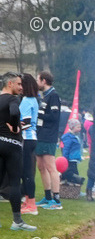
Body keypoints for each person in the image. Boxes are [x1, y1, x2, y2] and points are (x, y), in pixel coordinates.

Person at [0, 73, 36, 231]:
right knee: (15, 183)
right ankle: (17, 221)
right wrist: (15, 127)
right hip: (12, 144)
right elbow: (14, 112)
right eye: (19, 84)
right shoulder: (13, 99)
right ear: (10, 84)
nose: (21, 88)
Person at [35, 71, 62, 210]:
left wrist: (38, 115)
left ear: (44, 81)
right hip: (40, 135)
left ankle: (56, 200)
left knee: (51, 167)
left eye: (37, 80)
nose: (36, 83)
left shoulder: (53, 96)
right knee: (41, 166)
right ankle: (47, 197)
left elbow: (54, 117)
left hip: (48, 136)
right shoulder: (45, 96)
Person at [18, 74, 40, 215]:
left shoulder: (27, 100)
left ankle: (31, 204)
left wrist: (11, 127)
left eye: (21, 84)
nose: (19, 87)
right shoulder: (33, 100)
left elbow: (25, 123)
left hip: (27, 138)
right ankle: (27, 201)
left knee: (27, 173)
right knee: (25, 172)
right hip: (31, 138)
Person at [60, 119, 85, 186]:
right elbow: (66, 148)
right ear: (73, 127)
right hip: (71, 158)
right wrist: (65, 158)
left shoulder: (76, 136)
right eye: (78, 127)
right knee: (73, 172)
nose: (80, 128)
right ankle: (75, 183)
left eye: (80, 127)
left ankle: (70, 182)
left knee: (72, 171)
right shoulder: (69, 137)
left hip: (74, 158)